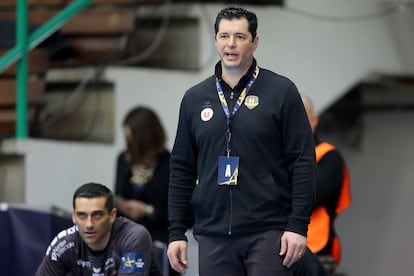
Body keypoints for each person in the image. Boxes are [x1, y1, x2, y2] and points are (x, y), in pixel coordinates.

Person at [167, 6, 320, 276]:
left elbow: (303, 161)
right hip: (213, 232)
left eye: (240, 36)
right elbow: (181, 168)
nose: (231, 44)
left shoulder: (281, 91)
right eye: (224, 36)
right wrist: (176, 231)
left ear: (255, 42)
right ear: (216, 40)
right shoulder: (195, 98)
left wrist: (298, 226)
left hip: (269, 230)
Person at [35, 182, 162, 276]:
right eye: (82, 215)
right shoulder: (64, 243)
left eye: (97, 215)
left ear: (112, 216)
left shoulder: (133, 236)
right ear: (73, 216)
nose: (89, 224)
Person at [114, 106, 177, 275]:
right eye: (128, 138)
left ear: (146, 138)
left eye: (133, 138)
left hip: (157, 238)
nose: (130, 143)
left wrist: (147, 210)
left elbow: (183, 216)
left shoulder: (170, 164)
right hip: (125, 237)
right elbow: (118, 194)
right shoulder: (124, 159)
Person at [301, 95, 352, 275]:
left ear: (314, 121)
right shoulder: (273, 158)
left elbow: (308, 196)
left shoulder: (327, 156)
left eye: (301, 116)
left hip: (316, 251)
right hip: (273, 252)